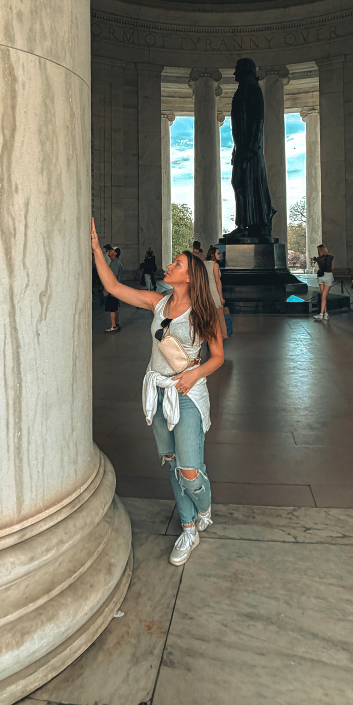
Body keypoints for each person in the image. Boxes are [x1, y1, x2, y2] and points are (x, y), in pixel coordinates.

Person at [91, 220, 224, 566]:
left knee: (190, 470)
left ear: (190, 276)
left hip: (188, 394)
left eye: (177, 264)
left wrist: (194, 374)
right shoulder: (158, 303)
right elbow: (114, 287)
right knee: (171, 465)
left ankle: (204, 504)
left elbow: (218, 357)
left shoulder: (204, 311)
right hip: (159, 389)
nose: (169, 266)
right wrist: (95, 250)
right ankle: (188, 527)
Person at [204, 246, 227, 340]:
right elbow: (218, 281)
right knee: (219, 313)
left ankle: (208, 334)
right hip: (214, 291)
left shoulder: (203, 264)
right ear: (213, 255)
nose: (220, 255)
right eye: (218, 253)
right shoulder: (215, 265)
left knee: (208, 314)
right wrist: (221, 297)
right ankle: (222, 334)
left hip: (205, 291)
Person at [104, 247, 123, 333]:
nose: (109, 252)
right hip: (116, 289)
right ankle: (117, 324)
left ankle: (113, 326)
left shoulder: (114, 263)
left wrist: (107, 289)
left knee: (112, 308)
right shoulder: (115, 262)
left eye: (111, 251)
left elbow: (113, 277)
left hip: (112, 289)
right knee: (115, 308)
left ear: (115, 253)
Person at [313, 244, 334, 321]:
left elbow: (319, 268)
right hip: (328, 276)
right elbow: (332, 268)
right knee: (324, 296)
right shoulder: (331, 257)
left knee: (323, 296)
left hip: (321, 276)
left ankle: (323, 314)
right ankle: (324, 314)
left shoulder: (318, 259)